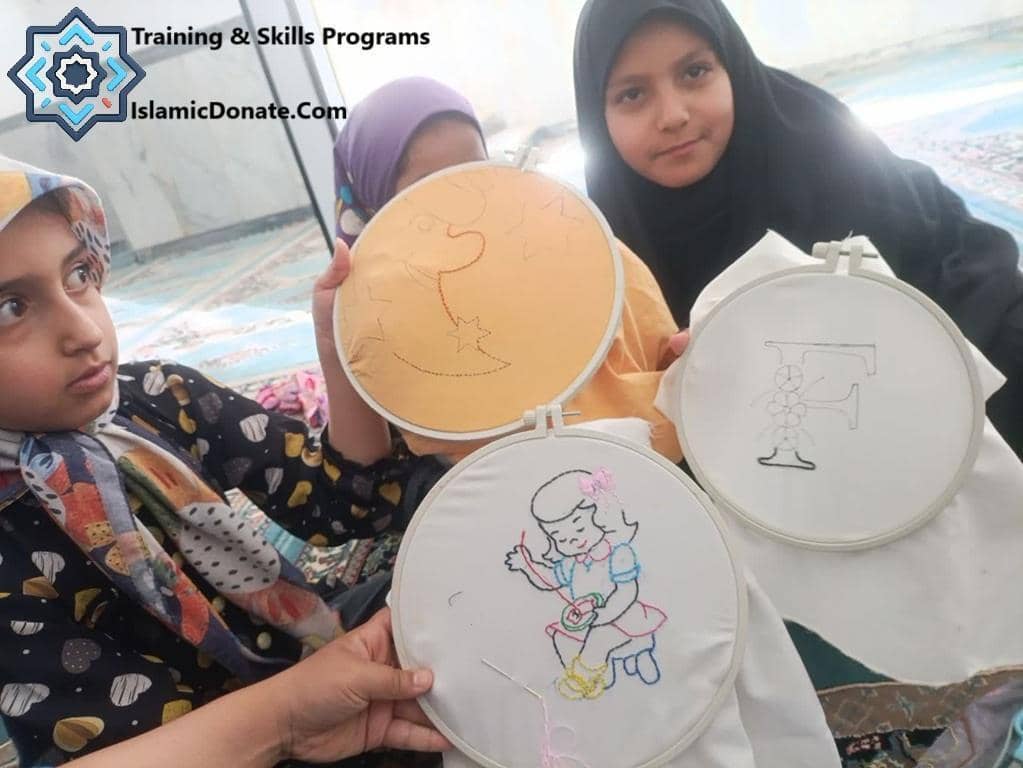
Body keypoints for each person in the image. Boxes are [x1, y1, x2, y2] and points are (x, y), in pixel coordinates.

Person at [0, 156, 438, 764]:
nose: (84, 331)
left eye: (77, 273)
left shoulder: (158, 396)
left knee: (457, 580)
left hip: (314, 660)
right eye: (11, 309)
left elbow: (344, 505)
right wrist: (285, 716)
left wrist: (336, 348)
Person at [573, 0, 1023, 457]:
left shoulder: (826, 157)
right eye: (632, 94)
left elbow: (938, 293)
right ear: (597, 115)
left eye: (694, 72)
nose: (672, 115)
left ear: (733, 67)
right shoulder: (599, 252)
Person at [334, 76, 687, 463]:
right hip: (500, 489)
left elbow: (656, 345)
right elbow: (364, 464)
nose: (463, 197)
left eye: (474, 170)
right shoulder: (375, 317)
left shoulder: (577, 245)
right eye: (429, 185)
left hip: (637, 457)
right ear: (376, 207)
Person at [64, 609, 449, 767]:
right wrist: (284, 716)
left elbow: (335, 500)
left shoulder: (124, 437)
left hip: (306, 673)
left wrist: (289, 710)